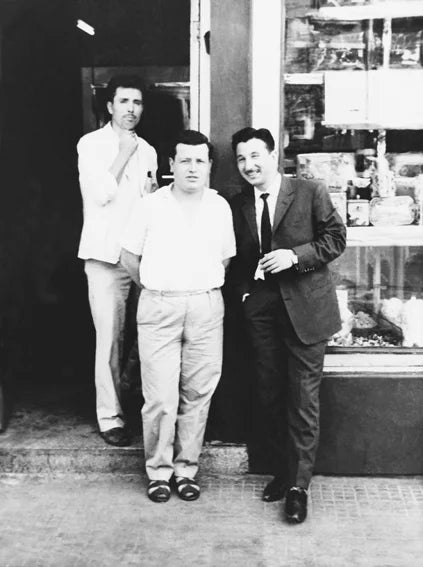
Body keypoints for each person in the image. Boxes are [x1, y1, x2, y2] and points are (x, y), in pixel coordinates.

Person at [229, 127, 346, 523]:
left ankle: (298, 488)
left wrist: (295, 257)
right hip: (262, 314)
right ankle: (284, 470)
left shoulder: (309, 192)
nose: (249, 165)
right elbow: (236, 258)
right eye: (241, 158)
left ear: (273, 155)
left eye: (255, 156)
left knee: (302, 400)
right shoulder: (238, 203)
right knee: (271, 395)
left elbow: (336, 238)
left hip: (307, 311)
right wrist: (245, 294)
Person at [120, 130, 236, 503]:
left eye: (200, 161)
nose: (192, 168)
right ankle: (159, 471)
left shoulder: (219, 207)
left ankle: (186, 470)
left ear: (210, 166)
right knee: (159, 396)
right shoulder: (150, 205)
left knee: (198, 393)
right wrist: (158, 289)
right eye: (184, 160)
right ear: (171, 164)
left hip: (205, 307)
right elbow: (129, 258)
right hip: (159, 307)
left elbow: (225, 259)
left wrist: (194, 288)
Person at [77, 75, 158, 446]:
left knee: (147, 333)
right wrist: (123, 153)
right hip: (105, 258)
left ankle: (131, 395)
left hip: (140, 259)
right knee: (109, 338)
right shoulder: (91, 144)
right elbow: (99, 194)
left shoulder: (149, 150)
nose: (131, 109)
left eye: (137, 102)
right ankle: (110, 417)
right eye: (124, 101)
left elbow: (149, 203)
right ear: (110, 106)